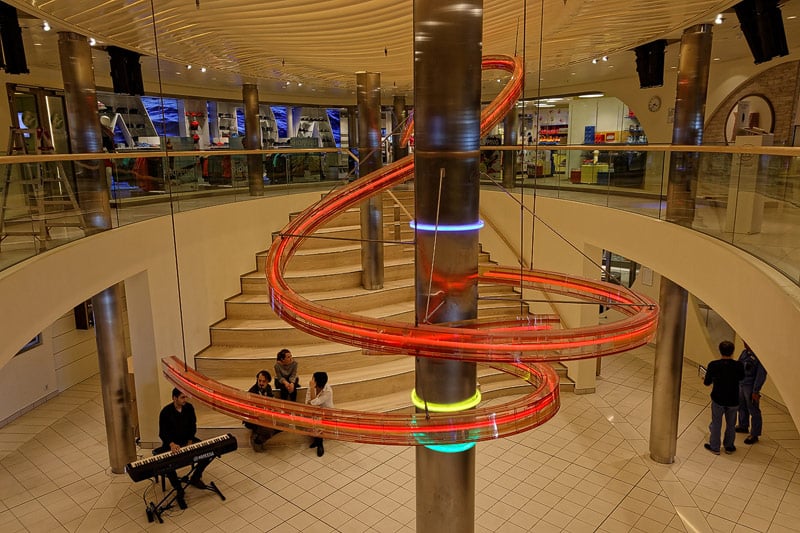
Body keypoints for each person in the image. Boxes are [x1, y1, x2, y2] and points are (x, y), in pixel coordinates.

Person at [156, 388, 210, 509]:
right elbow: (162, 433)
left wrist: (190, 441)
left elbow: (193, 426)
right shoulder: (165, 412)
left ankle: (195, 477)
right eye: (182, 397)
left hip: (187, 440)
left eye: (186, 397)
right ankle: (178, 488)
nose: (185, 399)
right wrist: (171, 444)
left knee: (207, 453)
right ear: (174, 398)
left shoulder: (189, 408)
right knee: (168, 464)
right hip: (172, 444)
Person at [703, 340, 745, 455]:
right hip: (733, 399)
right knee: (731, 425)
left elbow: (707, 382)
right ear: (733, 351)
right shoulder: (738, 365)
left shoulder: (713, 365)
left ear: (720, 351)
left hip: (718, 398)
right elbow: (742, 378)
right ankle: (729, 446)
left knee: (716, 423)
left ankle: (715, 447)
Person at [736, 342, 768, 445]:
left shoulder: (759, 357)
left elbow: (760, 375)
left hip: (750, 387)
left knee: (753, 410)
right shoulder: (744, 353)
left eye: (746, 342)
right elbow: (738, 365)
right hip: (741, 384)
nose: (745, 344)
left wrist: (755, 391)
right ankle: (743, 425)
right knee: (741, 406)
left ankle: (754, 434)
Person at [245, 370, 274, 451]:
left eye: (264, 381)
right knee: (269, 429)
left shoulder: (268, 388)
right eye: (259, 380)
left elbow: (271, 401)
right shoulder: (252, 392)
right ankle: (257, 441)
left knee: (281, 425)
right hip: (253, 419)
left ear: (268, 382)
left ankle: (259, 437)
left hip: (264, 416)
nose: (261, 383)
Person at [306, 371, 333, 457]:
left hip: (326, 413)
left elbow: (313, 403)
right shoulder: (311, 387)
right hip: (315, 411)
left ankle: (319, 443)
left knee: (317, 421)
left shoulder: (328, 391)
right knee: (313, 417)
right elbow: (308, 403)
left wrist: (312, 390)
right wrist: (312, 390)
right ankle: (317, 441)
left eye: (313, 379)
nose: (311, 381)